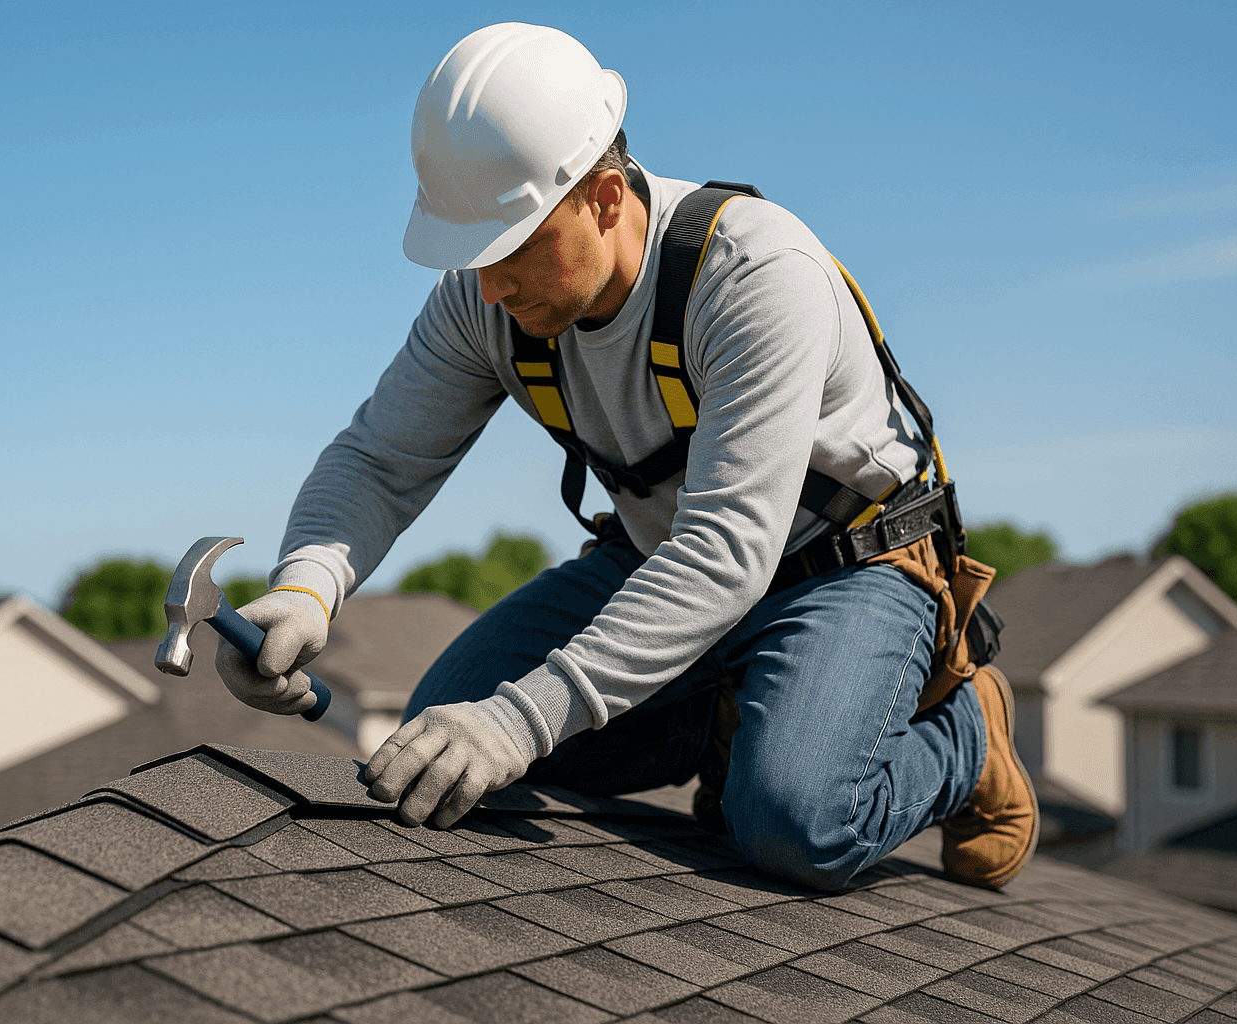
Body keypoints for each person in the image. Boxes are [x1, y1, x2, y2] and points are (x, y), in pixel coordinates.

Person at [218, 22, 1036, 891]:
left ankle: (965, 739)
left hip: (839, 568)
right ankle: (736, 713)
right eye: (473, 256)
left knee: (792, 823)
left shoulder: (755, 273)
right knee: (443, 741)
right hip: (660, 556)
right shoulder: (484, 300)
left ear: (606, 197)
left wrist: (524, 718)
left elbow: (727, 551)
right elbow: (381, 459)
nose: (488, 287)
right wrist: (305, 587)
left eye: (510, 250)